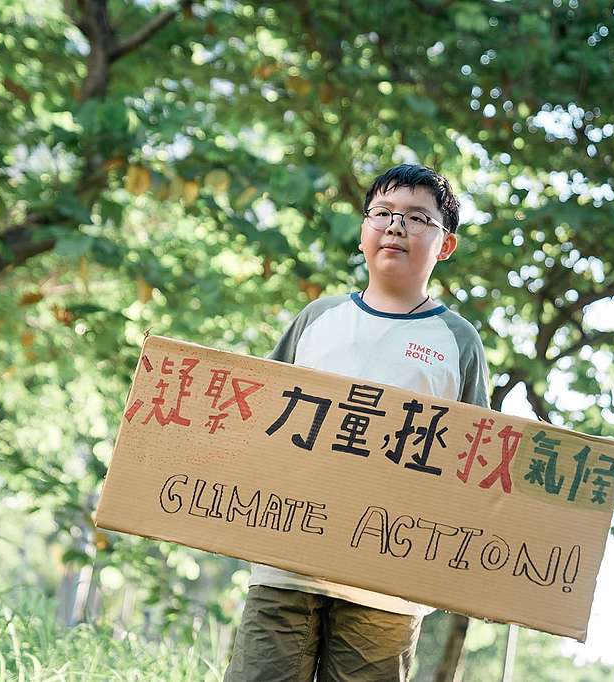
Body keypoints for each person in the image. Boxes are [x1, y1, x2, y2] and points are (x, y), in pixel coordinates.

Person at [224, 164, 490, 682]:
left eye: (417, 218)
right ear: (363, 230)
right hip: (285, 563)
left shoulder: (457, 342)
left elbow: (470, 462)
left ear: (446, 246)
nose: (396, 227)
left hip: (386, 586)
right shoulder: (317, 319)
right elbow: (259, 421)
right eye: (384, 214)